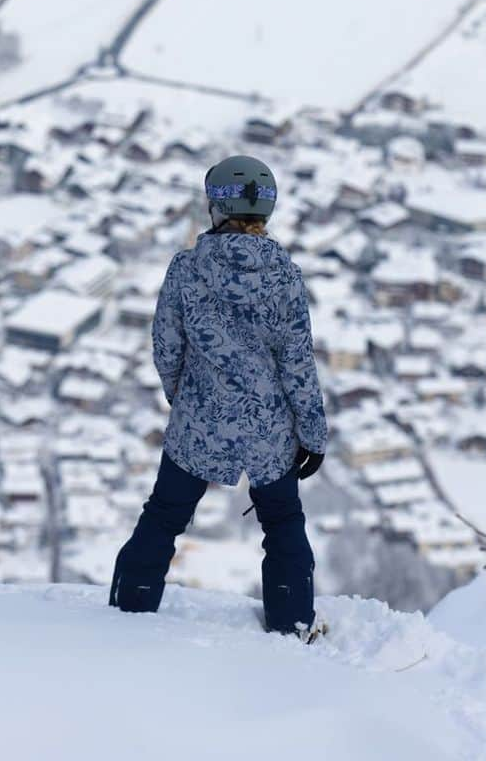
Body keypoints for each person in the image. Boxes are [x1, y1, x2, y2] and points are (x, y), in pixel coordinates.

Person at [109, 155, 328, 640]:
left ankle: (126, 614)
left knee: (164, 516)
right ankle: (292, 624)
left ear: (214, 207)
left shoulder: (186, 269)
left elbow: (166, 347)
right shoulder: (285, 276)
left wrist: (183, 399)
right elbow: (297, 363)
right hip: (269, 429)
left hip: (198, 420)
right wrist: (313, 435)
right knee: (284, 522)